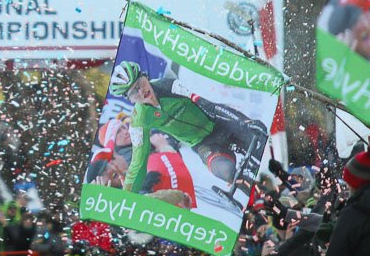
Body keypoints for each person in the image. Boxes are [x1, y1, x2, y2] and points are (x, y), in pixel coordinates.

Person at [108, 61, 266, 195]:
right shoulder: (138, 121)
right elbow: (138, 162)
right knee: (228, 172)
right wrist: (127, 197)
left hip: (220, 125)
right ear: (129, 99)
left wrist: (244, 121)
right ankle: (259, 198)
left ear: (145, 77)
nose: (141, 91)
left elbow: (210, 105)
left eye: (140, 83)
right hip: (204, 144)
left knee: (259, 140)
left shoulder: (169, 85)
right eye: (134, 92)